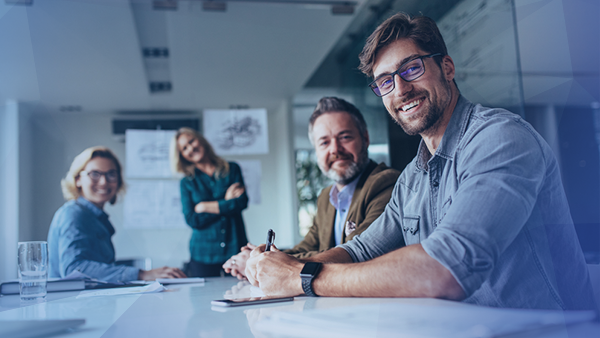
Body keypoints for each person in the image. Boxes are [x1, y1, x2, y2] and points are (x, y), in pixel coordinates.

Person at [245, 12, 596, 311]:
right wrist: (283, 266)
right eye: (385, 82)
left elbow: (446, 268)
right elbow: (361, 250)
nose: (399, 90)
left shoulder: (500, 138)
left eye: (411, 69)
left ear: (447, 67)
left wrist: (301, 277)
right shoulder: (413, 176)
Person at [222, 97, 400, 279]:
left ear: (365, 138)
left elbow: (357, 252)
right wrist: (264, 256)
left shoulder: (385, 183)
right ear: (316, 150)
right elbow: (308, 247)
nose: (335, 149)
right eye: (324, 142)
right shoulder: (326, 197)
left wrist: (262, 262)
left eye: (345, 137)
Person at [48, 146, 186, 283]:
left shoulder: (95, 217)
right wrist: (141, 274)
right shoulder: (74, 214)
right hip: (72, 303)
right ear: (78, 179)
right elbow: (74, 269)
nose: (104, 181)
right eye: (94, 174)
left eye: (111, 174)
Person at [171, 127, 249, 277]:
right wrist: (226, 201)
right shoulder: (187, 182)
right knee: (202, 299)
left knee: (241, 294)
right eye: (184, 148)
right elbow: (192, 219)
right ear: (182, 156)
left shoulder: (232, 169)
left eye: (191, 141)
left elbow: (241, 203)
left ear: (200, 140)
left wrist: (204, 206)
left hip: (235, 247)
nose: (191, 148)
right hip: (203, 254)